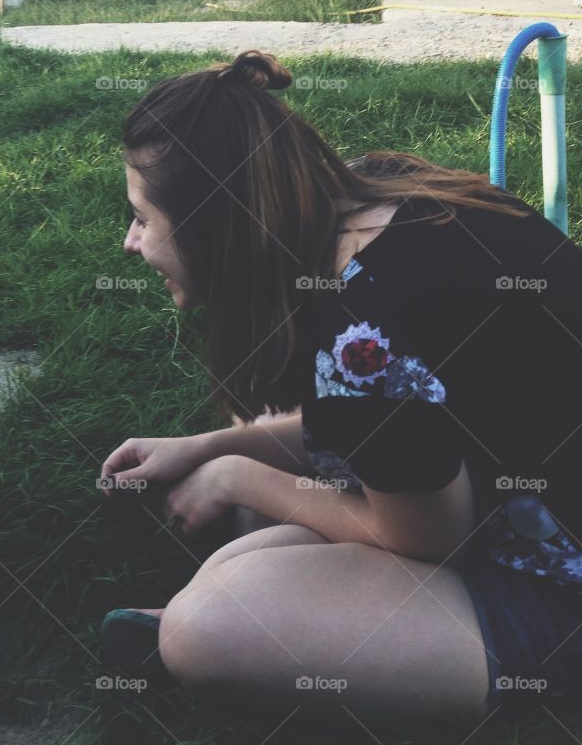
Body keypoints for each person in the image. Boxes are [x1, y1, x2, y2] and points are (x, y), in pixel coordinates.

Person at [98, 50, 582, 725]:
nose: (131, 242)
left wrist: (239, 474)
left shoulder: (358, 343)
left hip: (557, 578)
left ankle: (542, 661)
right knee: (247, 554)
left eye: (143, 218)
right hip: (521, 490)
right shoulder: (383, 194)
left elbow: (427, 539)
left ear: (214, 226)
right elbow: (413, 417)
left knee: (207, 624)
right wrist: (205, 445)